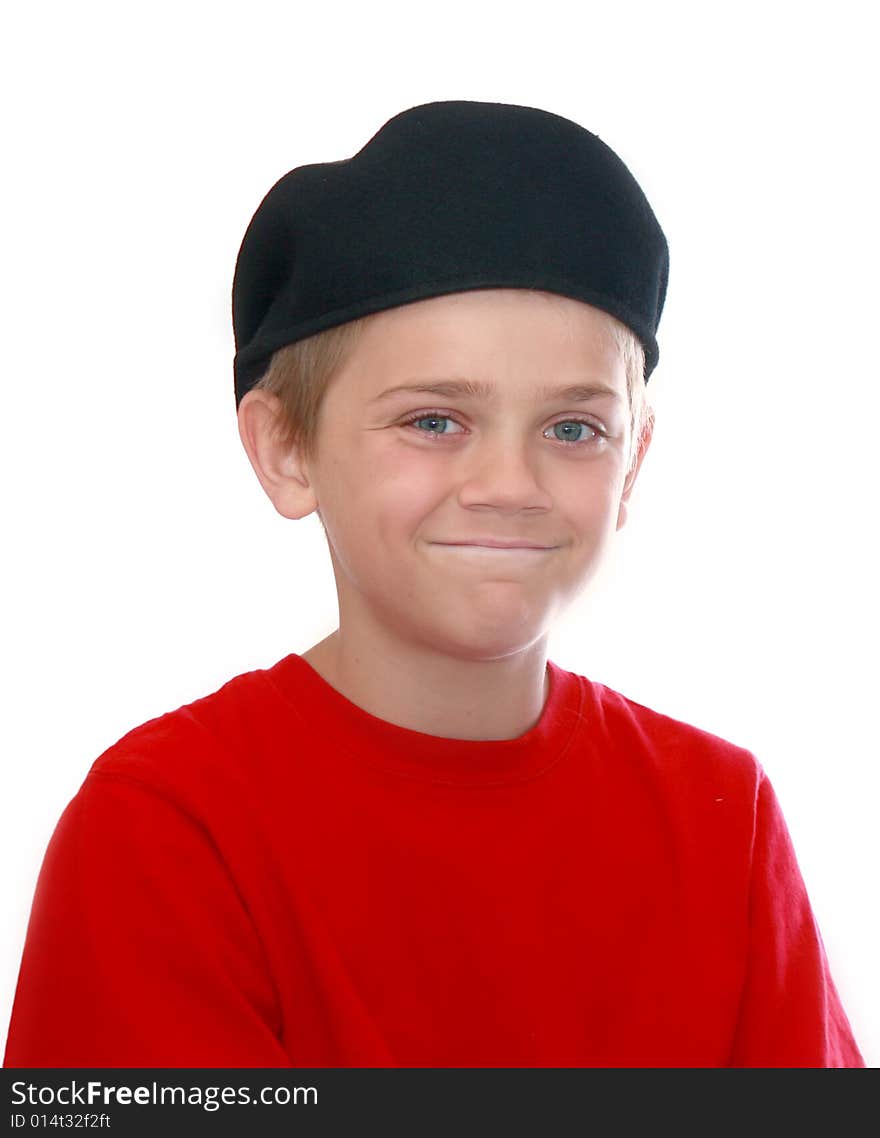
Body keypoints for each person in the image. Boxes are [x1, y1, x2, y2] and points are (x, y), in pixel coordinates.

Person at [3, 100, 864, 1068]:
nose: (507, 485)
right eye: (433, 420)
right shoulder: (167, 830)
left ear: (633, 462)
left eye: (573, 429)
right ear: (285, 448)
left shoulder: (721, 817)